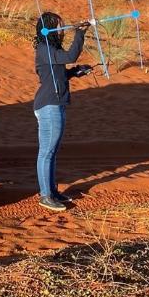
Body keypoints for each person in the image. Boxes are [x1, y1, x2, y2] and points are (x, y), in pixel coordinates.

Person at [33, 12, 92, 211]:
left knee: (52, 152)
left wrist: (75, 72)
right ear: (48, 28)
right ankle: (45, 196)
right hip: (48, 105)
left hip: (55, 103)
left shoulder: (51, 49)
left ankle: (52, 191)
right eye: (59, 26)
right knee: (47, 152)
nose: (62, 30)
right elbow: (70, 56)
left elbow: (58, 74)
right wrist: (80, 34)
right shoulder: (44, 49)